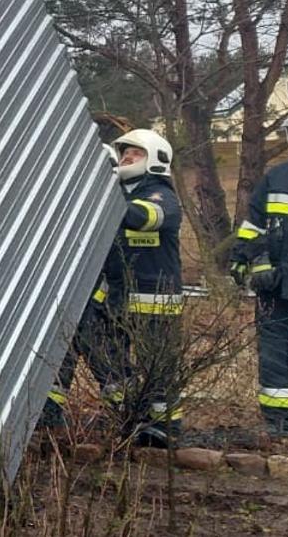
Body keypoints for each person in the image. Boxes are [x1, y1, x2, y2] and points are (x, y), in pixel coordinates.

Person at [45, 129, 184, 444]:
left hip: (154, 302)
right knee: (110, 361)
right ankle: (130, 417)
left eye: (136, 153)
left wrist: (107, 187)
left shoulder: (160, 195)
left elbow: (142, 218)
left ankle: (164, 429)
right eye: (124, 153)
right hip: (117, 299)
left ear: (156, 159)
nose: (127, 158)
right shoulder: (119, 194)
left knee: (157, 367)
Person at [233, 112, 288, 438]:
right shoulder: (277, 178)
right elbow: (255, 225)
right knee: (276, 355)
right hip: (278, 284)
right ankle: (280, 426)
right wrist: (248, 259)